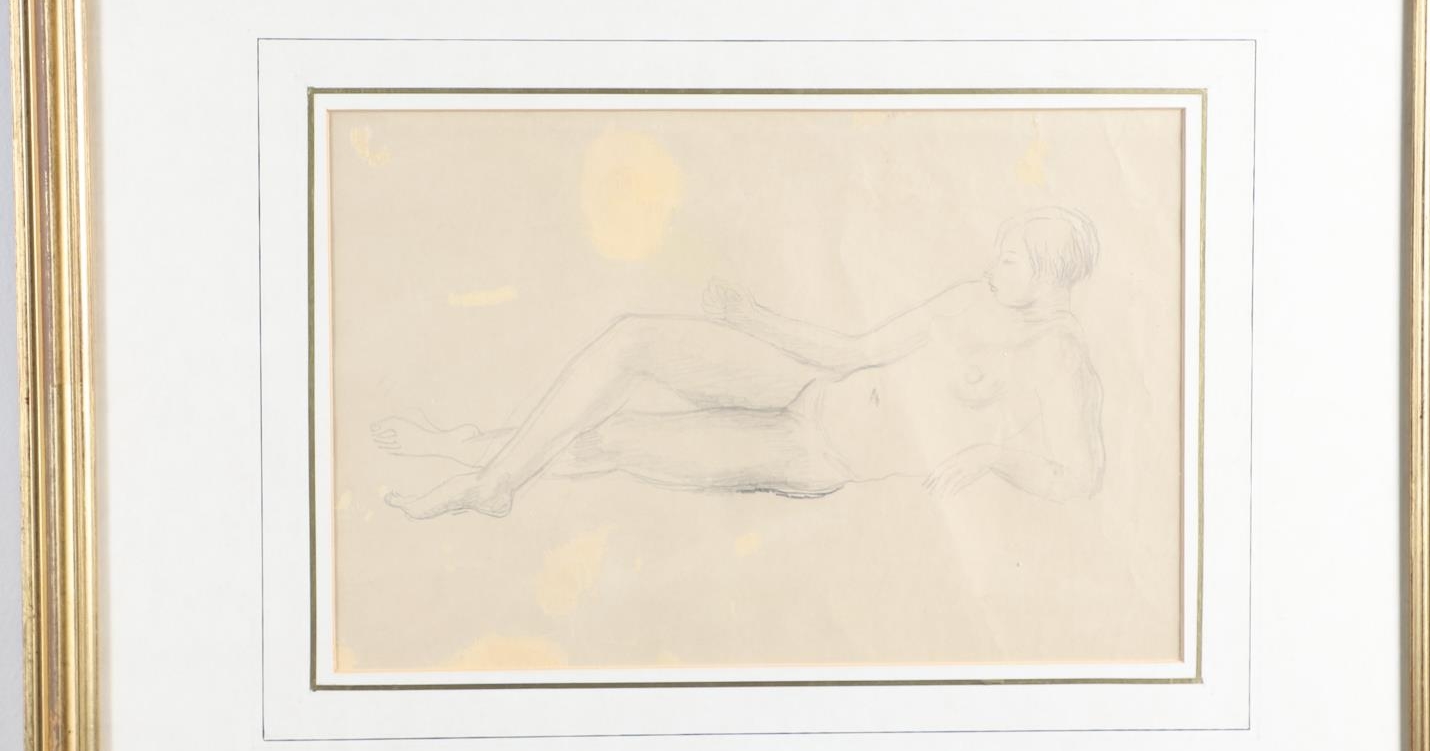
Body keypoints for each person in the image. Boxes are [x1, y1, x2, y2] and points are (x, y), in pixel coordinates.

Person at [378, 206, 1105, 519]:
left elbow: (1080, 477)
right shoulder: (972, 298)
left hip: (818, 451)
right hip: (815, 384)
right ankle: (492, 479)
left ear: (1048, 276)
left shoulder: (1060, 360)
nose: (992, 266)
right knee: (633, 338)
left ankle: (468, 454)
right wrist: (750, 318)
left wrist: (991, 455)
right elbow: (855, 352)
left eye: (1010, 260)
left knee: (618, 440)